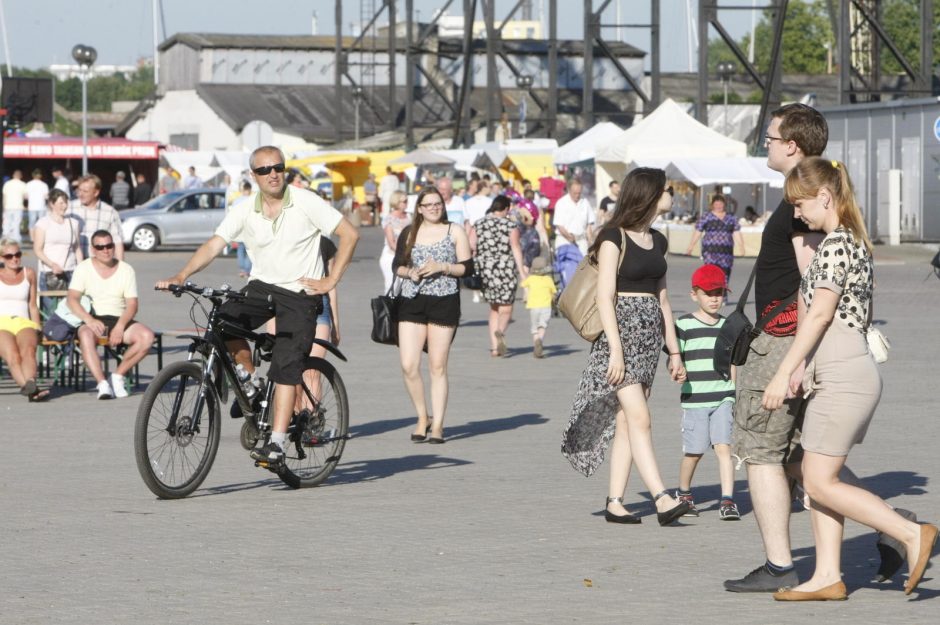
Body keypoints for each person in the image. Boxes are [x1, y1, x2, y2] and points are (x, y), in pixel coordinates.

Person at [723, 102, 914, 592]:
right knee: (805, 459)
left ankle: (782, 564)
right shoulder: (810, 205)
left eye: (769, 138)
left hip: (792, 344)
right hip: (808, 351)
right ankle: (862, 547)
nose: (764, 144)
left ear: (792, 145)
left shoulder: (808, 213)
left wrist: (792, 360)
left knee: (765, 450)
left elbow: (815, 289)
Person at [764, 157, 937, 600]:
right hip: (842, 372)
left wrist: (784, 372)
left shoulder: (838, 244)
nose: (796, 213)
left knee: (818, 478)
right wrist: (803, 369)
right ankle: (827, 576)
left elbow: (821, 315)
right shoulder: (850, 242)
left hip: (842, 375)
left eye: (800, 204)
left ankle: (910, 532)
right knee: (812, 470)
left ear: (824, 196)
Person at [156, 145, 360, 466]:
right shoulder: (244, 208)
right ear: (254, 175)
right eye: (264, 170)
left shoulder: (306, 201)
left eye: (277, 167)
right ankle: (250, 383)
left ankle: (277, 443)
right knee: (222, 321)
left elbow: (349, 234)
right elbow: (214, 244)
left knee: (285, 363)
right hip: (262, 288)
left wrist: (331, 280)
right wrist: (181, 275)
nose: (272, 174)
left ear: (285, 169)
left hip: (299, 295)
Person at [560, 168, 690, 526]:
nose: (671, 194)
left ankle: (615, 502)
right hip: (620, 339)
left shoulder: (659, 240)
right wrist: (615, 350)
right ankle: (662, 499)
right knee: (640, 419)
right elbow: (605, 297)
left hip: (648, 342)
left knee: (627, 421)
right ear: (648, 193)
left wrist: (674, 352)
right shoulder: (613, 237)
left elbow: (663, 301)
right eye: (666, 189)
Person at [392, 186, 472, 444]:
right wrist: (410, 273)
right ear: (419, 208)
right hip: (411, 301)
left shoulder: (455, 230)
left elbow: (468, 268)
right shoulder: (410, 232)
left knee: (437, 366)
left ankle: (437, 424)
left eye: (438, 203)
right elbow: (397, 266)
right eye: (428, 204)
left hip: (444, 301)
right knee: (408, 365)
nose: (434, 208)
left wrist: (443, 267)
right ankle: (421, 416)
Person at [673, 264, 739, 520]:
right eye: (708, 293)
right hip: (695, 399)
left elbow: (732, 361)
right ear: (694, 294)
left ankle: (727, 500)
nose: (714, 298)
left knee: (724, 448)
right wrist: (675, 368)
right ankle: (684, 493)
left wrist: (732, 392)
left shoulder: (728, 325)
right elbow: (675, 357)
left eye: (719, 292)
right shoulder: (684, 324)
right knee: (695, 451)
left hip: (722, 396)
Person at [67, 230, 155, 399]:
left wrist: (120, 326)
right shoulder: (84, 268)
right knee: (85, 334)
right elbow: (72, 299)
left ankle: (117, 376)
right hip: (94, 317)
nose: (105, 250)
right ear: (93, 249)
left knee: (147, 337)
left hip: (119, 318)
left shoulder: (126, 269)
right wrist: (89, 320)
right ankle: (102, 384)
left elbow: (132, 305)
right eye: (100, 247)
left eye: (109, 245)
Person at [471, 195, 526, 357]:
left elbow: (471, 245)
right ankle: (500, 332)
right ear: (507, 208)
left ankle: (495, 348)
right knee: (507, 308)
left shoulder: (479, 223)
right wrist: (522, 271)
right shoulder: (510, 225)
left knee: (494, 308)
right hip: (505, 269)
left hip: (486, 271)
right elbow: (515, 248)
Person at [0, 239, 48, 401]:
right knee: (13, 356)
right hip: (1, 323)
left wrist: (37, 326)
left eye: (17, 254)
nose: (14, 259)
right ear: (2, 258)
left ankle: (30, 384)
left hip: (23, 321)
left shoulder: (29, 273)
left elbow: (32, 305)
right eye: (9, 256)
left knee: (28, 351)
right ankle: (33, 392)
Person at [33, 189, 82, 316]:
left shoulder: (73, 223)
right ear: (51, 204)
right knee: (51, 313)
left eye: (65, 202)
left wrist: (81, 269)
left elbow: (77, 248)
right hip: (49, 273)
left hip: (71, 271)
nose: (64, 206)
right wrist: (52, 264)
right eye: (60, 203)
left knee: (71, 312)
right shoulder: (43, 223)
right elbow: (37, 249)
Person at [685, 195, 745, 279]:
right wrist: (691, 246)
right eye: (716, 204)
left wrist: (741, 246)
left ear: (724, 205)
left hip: (726, 253)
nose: (718, 206)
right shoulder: (706, 217)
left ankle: (723, 292)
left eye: (720, 204)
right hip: (710, 252)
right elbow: (698, 231)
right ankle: (712, 291)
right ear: (712, 205)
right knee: (711, 275)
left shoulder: (731, 218)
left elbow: (737, 232)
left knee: (725, 276)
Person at [519, 255, 555, 359]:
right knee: (542, 325)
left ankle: (536, 341)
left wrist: (526, 293)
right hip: (546, 306)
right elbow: (553, 292)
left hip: (534, 307)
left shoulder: (531, 279)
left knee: (534, 327)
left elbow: (523, 284)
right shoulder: (548, 279)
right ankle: (540, 338)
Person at [552, 179, 595, 255]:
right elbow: (559, 225)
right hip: (565, 241)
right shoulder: (561, 203)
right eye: (575, 193)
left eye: (579, 193)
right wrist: (570, 238)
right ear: (569, 190)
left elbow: (589, 225)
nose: (577, 195)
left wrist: (591, 241)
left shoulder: (585, 202)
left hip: (582, 242)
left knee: (583, 265)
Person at [379, 190, 411, 291]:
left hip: (408, 256)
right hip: (391, 256)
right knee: (392, 287)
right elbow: (391, 242)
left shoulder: (409, 216)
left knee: (405, 288)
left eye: (407, 201)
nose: (406, 203)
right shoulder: (389, 219)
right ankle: (388, 306)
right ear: (396, 202)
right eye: (404, 201)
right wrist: (404, 254)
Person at [228, 182, 254, 278]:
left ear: (243, 190)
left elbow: (233, 215)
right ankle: (247, 270)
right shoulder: (252, 200)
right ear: (249, 189)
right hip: (250, 227)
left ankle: (242, 269)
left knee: (240, 248)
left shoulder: (236, 201)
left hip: (239, 227)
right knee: (250, 249)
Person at [2, 170, 28, 243]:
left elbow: (4, 196)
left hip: (8, 206)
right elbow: (26, 196)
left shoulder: (7, 184)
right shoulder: (23, 184)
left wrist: (4, 207)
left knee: (7, 222)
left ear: (13, 175)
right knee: (16, 223)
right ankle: (16, 238)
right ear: (21, 176)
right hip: (18, 206)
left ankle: (5, 237)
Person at [25, 169, 49, 235]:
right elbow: (46, 197)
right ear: (40, 176)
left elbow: (26, 197)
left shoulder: (28, 184)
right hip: (41, 206)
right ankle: (41, 236)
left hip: (32, 206)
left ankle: (32, 239)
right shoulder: (44, 185)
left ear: (33, 175)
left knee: (32, 223)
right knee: (42, 223)